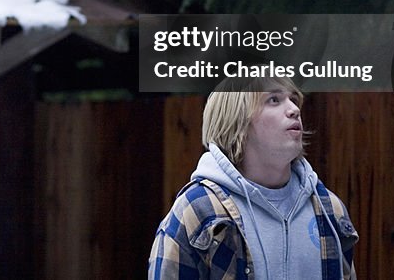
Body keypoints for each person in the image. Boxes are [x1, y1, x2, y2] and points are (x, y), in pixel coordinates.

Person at [148, 78, 358, 279]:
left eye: (293, 99)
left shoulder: (329, 208)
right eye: (274, 100)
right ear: (237, 121)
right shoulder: (198, 210)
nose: (294, 109)